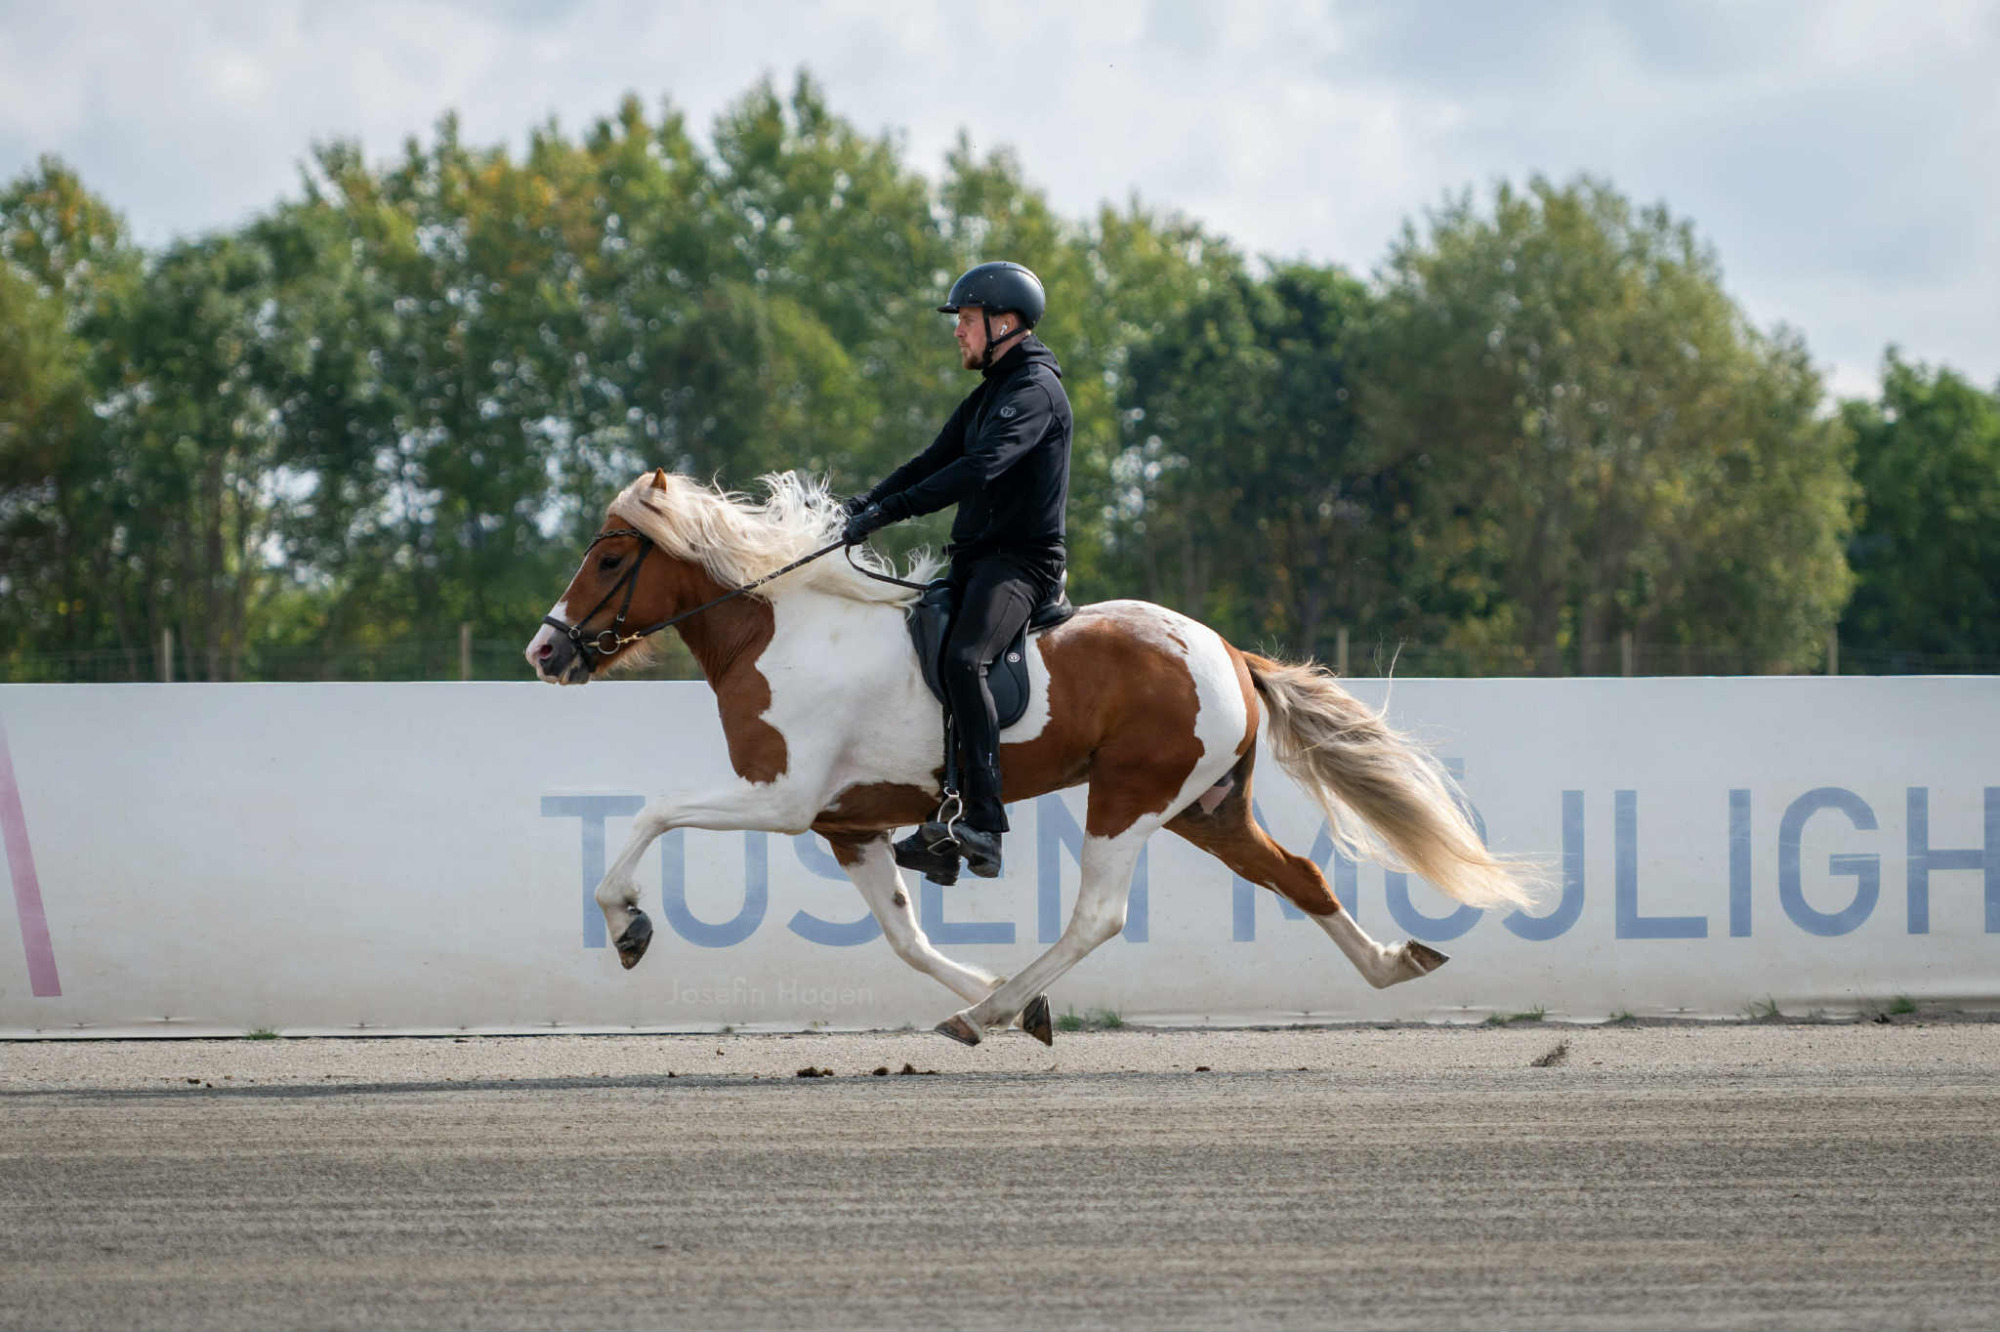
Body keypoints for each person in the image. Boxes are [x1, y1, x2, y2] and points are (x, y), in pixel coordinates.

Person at [842, 261, 1073, 880]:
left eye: (966, 321)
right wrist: (861, 507)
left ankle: (985, 824)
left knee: (965, 659)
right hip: (975, 561)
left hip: (1022, 566)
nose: (958, 333)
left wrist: (889, 512)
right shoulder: (987, 396)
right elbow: (929, 462)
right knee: (922, 646)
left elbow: (978, 471)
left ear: (1005, 324)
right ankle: (942, 821)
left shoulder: (1034, 392)